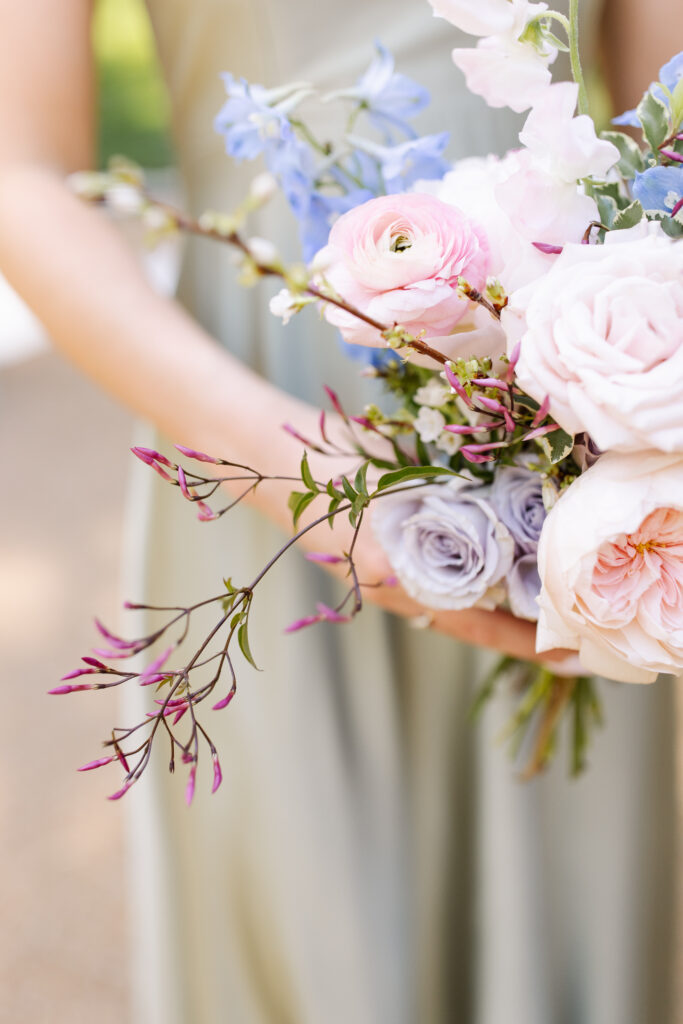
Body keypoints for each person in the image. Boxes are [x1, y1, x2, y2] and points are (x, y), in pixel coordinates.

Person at [0, 0, 679, 1021]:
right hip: (250, 432)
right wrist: (298, 470)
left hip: (571, 448)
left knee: (570, 924)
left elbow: (659, 115)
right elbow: (20, 170)